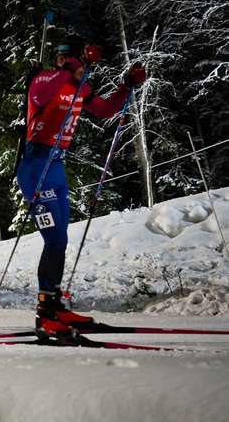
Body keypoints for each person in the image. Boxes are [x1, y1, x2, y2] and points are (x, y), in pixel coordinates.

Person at [17, 44, 145, 339]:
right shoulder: (43, 80)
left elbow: (105, 109)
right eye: (67, 60)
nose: (73, 66)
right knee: (55, 239)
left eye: (73, 60)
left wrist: (126, 85)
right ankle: (45, 314)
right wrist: (74, 64)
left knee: (61, 240)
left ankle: (55, 305)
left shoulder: (79, 87)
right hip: (36, 167)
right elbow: (48, 87)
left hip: (57, 167)